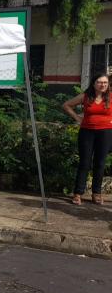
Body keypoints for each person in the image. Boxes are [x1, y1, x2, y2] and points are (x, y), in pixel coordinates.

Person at [63, 73, 111, 205]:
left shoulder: (110, 97)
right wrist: (77, 118)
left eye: (105, 83)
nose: (103, 85)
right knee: (84, 163)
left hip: (106, 133)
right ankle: (78, 193)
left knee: (100, 163)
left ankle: (96, 193)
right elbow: (66, 105)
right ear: (94, 83)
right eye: (100, 82)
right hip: (87, 132)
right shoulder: (85, 96)